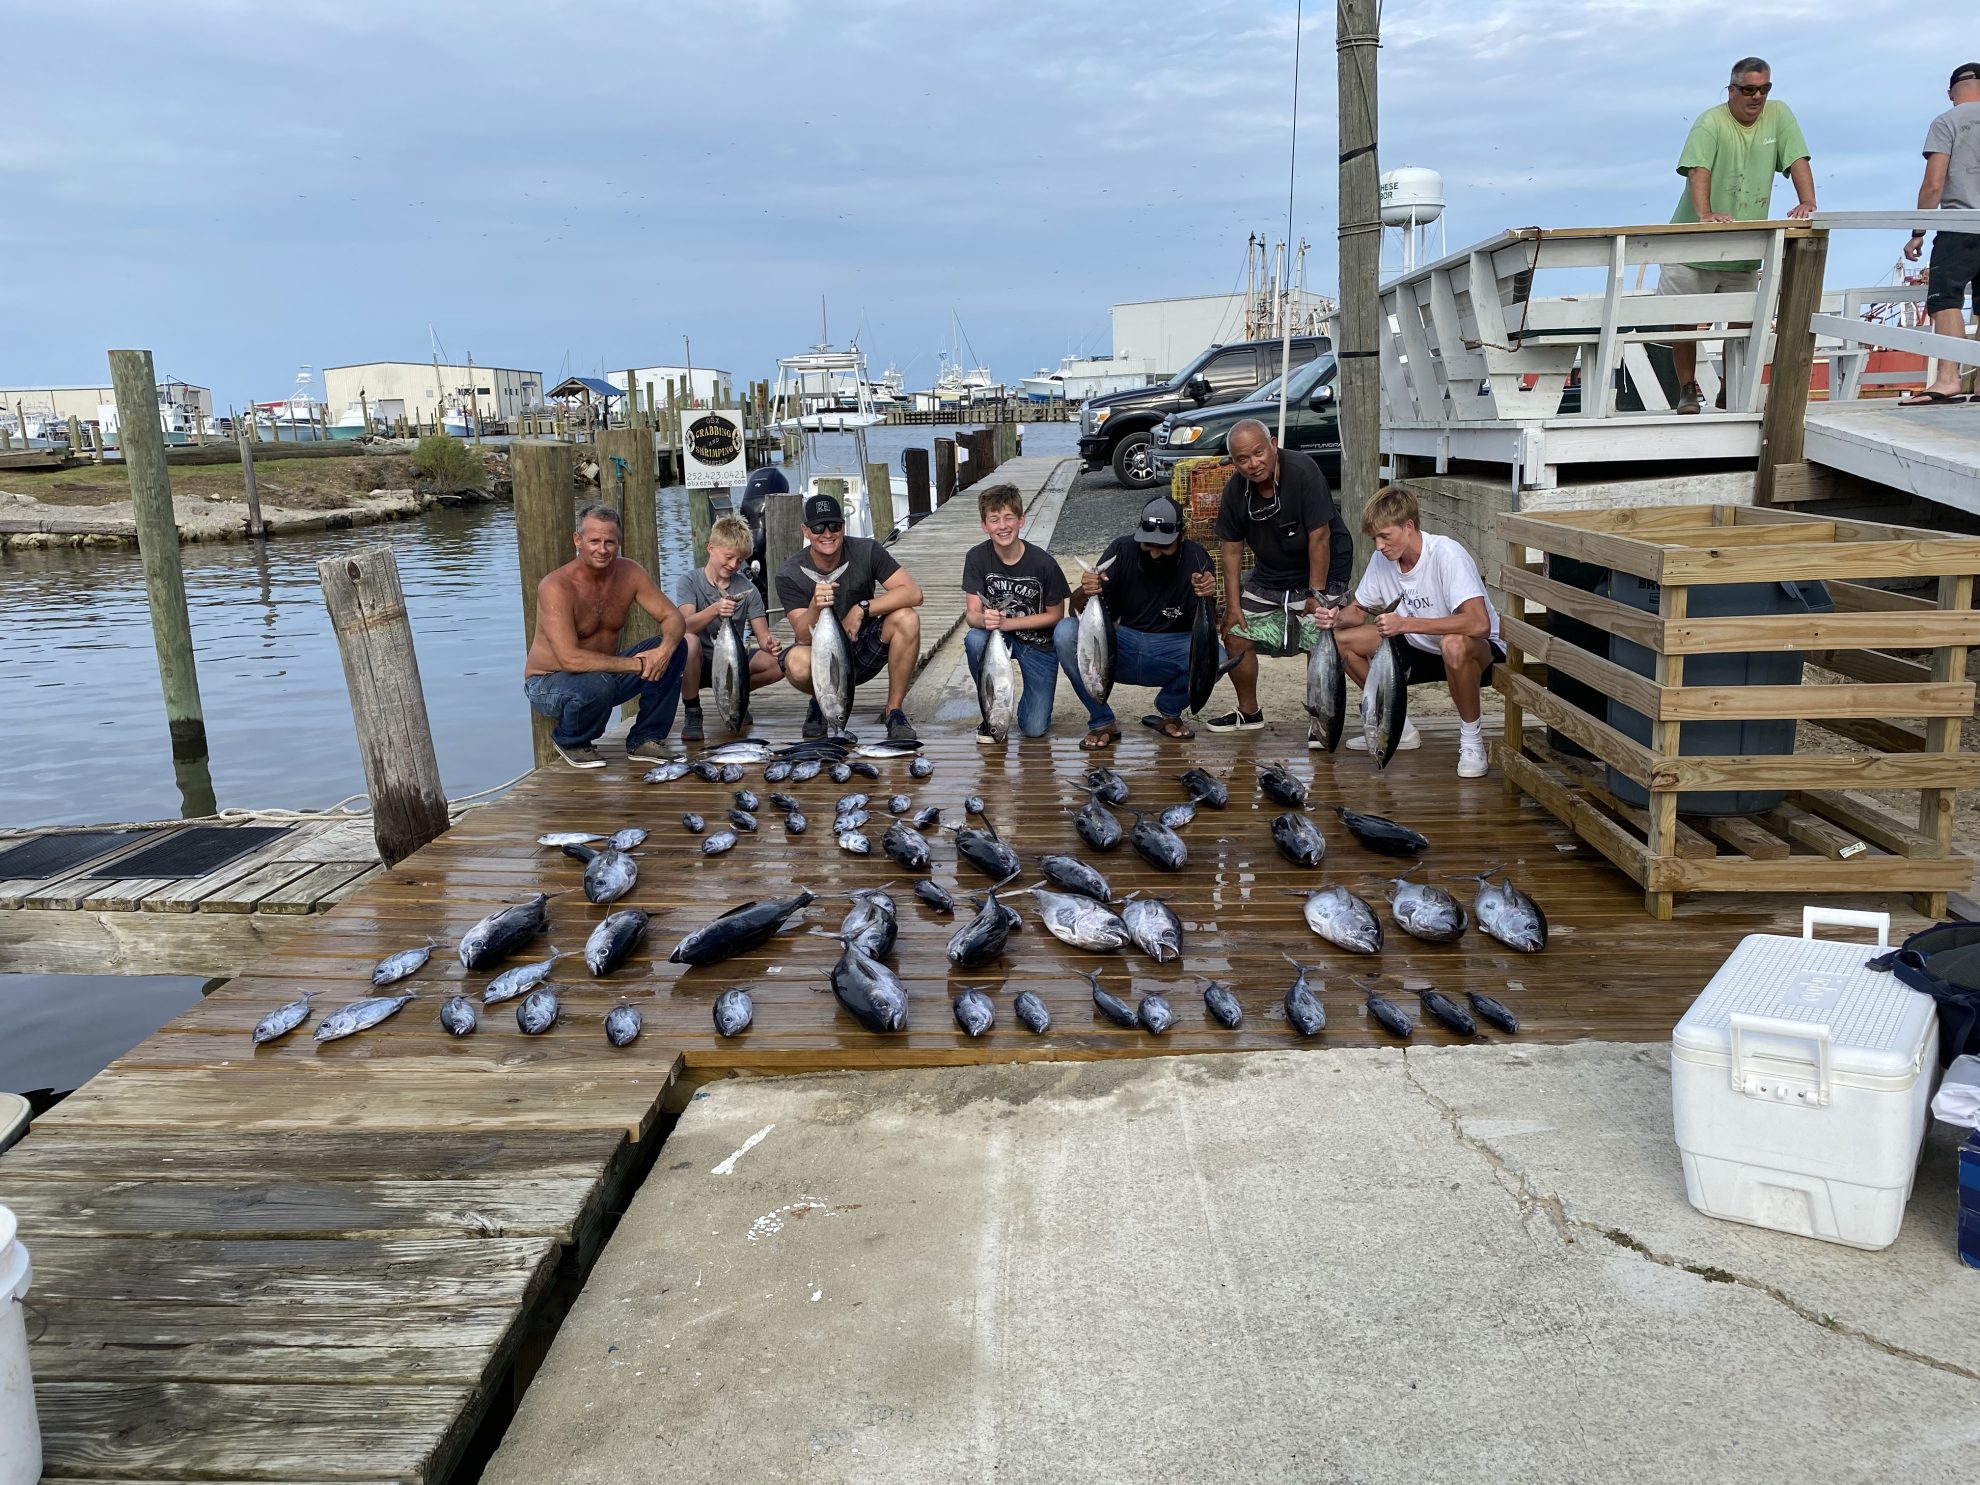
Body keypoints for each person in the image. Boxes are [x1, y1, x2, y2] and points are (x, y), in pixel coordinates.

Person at [1315, 484, 1505, 780]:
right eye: (1374, 538)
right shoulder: (1383, 559)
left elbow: (1479, 624)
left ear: (1409, 527)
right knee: (1343, 643)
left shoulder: (1447, 555)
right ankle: (1397, 726)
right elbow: (1357, 612)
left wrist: (1405, 624)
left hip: (1479, 654)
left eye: (1384, 537)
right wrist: (1334, 617)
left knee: (1453, 645)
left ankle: (1472, 742)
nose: (1378, 546)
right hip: (1419, 648)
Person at [1660, 56, 1816, 415]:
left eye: (1764, 88)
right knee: (1686, 321)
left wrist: (1807, 201)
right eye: (1748, 89)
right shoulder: (1710, 121)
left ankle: (1729, 388)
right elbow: (1698, 170)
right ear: (1731, 90)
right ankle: (1687, 389)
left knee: (1745, 320)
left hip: (1743, 246)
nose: (1756, 96)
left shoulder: (1779, 115)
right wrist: (1705, 215)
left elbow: (1798, 160)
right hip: (1692, 246)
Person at [1203, 418, 1354, 739]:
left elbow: (1320, 537)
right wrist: (1231, 606)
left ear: (1272, 445)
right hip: (1271, 575)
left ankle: (1323, 718)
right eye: (1242, 459)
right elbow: (1229, 550)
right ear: (1234, 461)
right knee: (1234, 633)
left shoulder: (1304, 472)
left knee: (1320, 636)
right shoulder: (1234, 491)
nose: (1253, 464)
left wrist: (1317, 593)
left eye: (1258, 453)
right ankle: (1249, 712)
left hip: (1325, 569)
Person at [522, 502, 686, 770]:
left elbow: (674, 618)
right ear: (578, 540)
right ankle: (571, 740)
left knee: (678, 647)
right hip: (548, 683)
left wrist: (664, 650)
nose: (602, 549)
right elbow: (570, 659)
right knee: (599, 685)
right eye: (594, 541)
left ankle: (646, 738)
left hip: (605, 674)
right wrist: (639, 664)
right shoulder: (556, 586)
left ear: (618, 542)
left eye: (609, 542)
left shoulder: (629, 572)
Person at [1058, 494, 1222, 749]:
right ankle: (1101, 721)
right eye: (1148, 544)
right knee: (1065, 632)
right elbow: (1074, 612)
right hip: (1118, 644)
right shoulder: (1121, 550)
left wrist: (1207, 596)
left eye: (1164, 546)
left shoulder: (1197, 559)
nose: (1155, 553)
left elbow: (1205, 631)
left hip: (1168, 649)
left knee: (1217, 658)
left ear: (1182, 534)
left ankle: (1169, 709)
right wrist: (1085, 589)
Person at [775, 493, 924, 741]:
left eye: (834, 525)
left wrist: (862, 608)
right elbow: (802, 634)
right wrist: (815, 604)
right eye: (818, 527)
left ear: (843, 525)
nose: (827, 533)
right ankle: (821, 702)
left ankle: (894, 711)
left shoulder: (867, 550)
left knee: (907, 618)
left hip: (862, 646)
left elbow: (913, 593)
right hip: (822, 655)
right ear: (805, 530)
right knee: (796, 663)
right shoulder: (789, 573)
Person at [962, 482, 1070, 741]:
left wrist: (1008, 624)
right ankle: (992, 710)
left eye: (1009, 517)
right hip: (999, 638)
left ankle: (1023, 702)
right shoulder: (976, 558)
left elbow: (1056, 615)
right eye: (994, 519)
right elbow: (971, 615)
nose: (1002, 526)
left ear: (1022, 520)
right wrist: (986, 619)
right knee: (975, 639)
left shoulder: (1044, 563)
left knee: (1034, 729)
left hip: (1038, 644)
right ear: (984, 526)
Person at [1900, 62, 1980, 406]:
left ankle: (1948, 379)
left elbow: (1933, 184)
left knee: (1945, 299)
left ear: (1951, 93)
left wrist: (1918, 231)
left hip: (1959, 226)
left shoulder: (1946, 121)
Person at [674, 514, 782, 742]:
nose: (734, 565)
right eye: (729, 557)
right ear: (711, 548)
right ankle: (693, 710)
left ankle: (736, 698)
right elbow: (684, 626)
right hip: (698, 663)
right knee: (689, 642)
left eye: (740, 560)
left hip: (733, 662)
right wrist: (714, 610)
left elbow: (762, 636)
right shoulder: (689, 581)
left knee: (779, 663)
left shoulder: (748, 589)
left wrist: (769, 644)